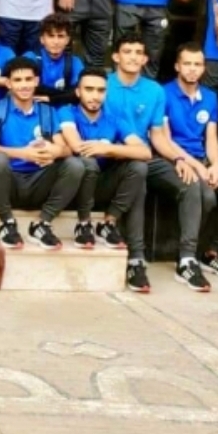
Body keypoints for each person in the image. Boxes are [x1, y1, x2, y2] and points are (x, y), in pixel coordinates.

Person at [106, 32, 215, 292]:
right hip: (110, 157)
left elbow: (157, 136)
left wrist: (178, 158)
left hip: (147, 155)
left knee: (189, 183)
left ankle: (187, 260)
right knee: (138, 176)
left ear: (145, 59)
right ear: (116, 57)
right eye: (127, 51)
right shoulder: (103, 85)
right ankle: (136, 259)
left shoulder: (154, 90)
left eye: (138, 53)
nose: (133, 57)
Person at [58, 68, 151, 291]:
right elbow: (77, 146)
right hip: (74, 188)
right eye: (89, 89)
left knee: (139, 168)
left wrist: (108, 149)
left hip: (102, 185)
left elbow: (145, 152)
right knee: (87, 163)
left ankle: (108, 223)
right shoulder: (67, 112)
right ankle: (84, 224)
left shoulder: (114, 119)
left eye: (100, 90)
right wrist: (112, 148)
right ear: (78, 92)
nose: (95, 96)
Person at [164, 43, 218, 282]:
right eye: (187, 64)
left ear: (204, 68)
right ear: (177, 66)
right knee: (207, 197)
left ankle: (212, 250)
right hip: (176, 158)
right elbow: (166, 140)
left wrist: (216, 165)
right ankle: (187, 257)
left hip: (204, 158)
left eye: (197, 64)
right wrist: (198, 167)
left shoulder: (210, 97)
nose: (192, 69)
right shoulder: (164, 93)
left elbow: (211, 137)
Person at [0, 57, 84, 251]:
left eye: (28, 79)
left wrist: (56, 150)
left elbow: (66, 149)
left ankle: (42, 223)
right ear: (8, 83)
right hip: (8, 182)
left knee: (75, 165)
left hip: (40, 180)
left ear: (36, 81)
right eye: (18, 80)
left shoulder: (48, 111)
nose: (24, 85)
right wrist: (23, 153)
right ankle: (7, 223)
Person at [23, 13, 84, 106]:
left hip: (63, 108)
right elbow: (22, 87)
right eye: (51, 36)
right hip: (35, 107)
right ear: (42, 39)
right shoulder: (30, 58)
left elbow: (79, 92)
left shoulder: (75, 62)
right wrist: (65, 94)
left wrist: (51, 99)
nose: (56, 42)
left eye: (60, 36)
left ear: (67, 40)